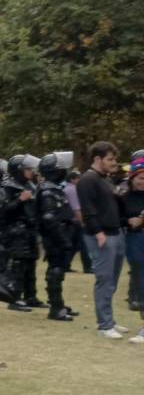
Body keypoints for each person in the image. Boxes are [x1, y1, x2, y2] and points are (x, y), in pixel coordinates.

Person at [77, 141, 127, 339]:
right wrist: (98, 232)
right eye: (110, 159)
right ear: (97, 159)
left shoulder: (105, 179)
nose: (113, 163)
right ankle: (104, 325)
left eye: (114, 159)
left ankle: (110, 320)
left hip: (116, 232)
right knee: (104, 280)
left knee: (112, 280)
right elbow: (87, 209)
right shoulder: (88, 180)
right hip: (102, 235)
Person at [35, 152, 79, 322]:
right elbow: (50, 219)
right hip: (56, 239)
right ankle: (56, 307)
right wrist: (63, 240)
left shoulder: (54, 189)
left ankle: (58, 303)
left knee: (58, 271)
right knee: (55, 271)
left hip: (61, 236)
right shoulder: (48, 191)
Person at [1, 154, 43, 311]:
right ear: (18, 170)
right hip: (16, 232)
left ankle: (31, 296)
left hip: (30, 231)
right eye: (27, 169)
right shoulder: (9, 187)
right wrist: (20, 200)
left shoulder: (30, 186)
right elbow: (3, 211)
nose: (31, 171)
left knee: (31, 265)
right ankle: (14, 298)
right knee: (18, 267)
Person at [121, 158, 144, 343]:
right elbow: (118, 217)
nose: (143, 181)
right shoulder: (124, 197)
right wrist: (129, 221)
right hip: (133, 241)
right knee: (138, 277)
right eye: (140, 177)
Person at [64, 170, 92, 274]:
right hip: (75, 221)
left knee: (74, 245)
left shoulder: (67, 188)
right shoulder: (73, 190)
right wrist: (82, 222)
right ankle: (87, 266)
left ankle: (65, 265)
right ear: (72, 179)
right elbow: (76, 209)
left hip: (70, 221)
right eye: (78, 178)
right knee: (83, 244)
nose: (80, 180)